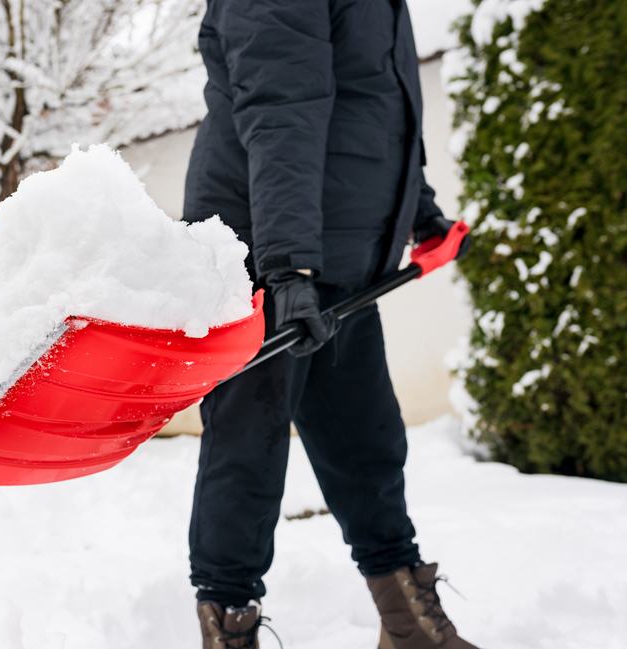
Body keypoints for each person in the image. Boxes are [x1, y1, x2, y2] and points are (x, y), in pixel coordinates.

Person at [181, 0, 478, 648]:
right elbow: (279, 107)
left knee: (367, 444)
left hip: (335, 259)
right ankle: (227, 627)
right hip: (263, 260)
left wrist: (416, 212)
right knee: (248, 451)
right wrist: (288, 270)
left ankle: (407, 624)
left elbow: (374, 107)